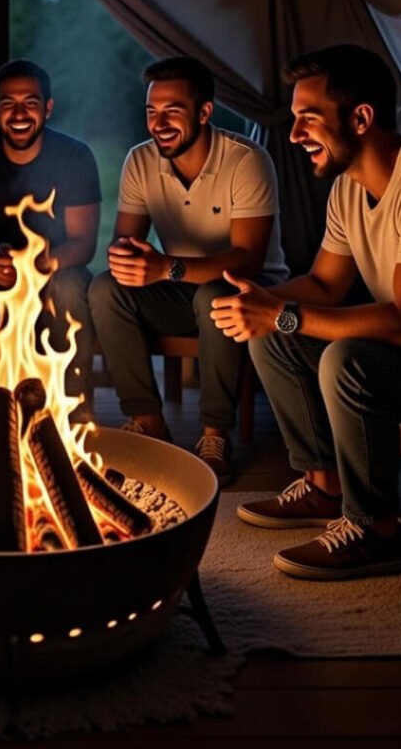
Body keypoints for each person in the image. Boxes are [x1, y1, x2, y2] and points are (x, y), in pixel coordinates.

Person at [211, 44, 401, 579]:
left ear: (362, 117)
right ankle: (325, 486)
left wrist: (281, 314)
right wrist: (260, 303)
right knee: (273, 331)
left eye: (308, 119)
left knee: (345, 359)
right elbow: (326, 285)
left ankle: (377, 531)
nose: (295, 133)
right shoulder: (350, 188)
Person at [89, 57, 287, 483]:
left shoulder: (247, 160)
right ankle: (147, 420)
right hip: (178, 284)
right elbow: (123, 244)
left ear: (204, 112)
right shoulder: (140, 161)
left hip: (252, 290)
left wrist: (164, 267)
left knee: (215, 294)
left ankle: (216, 433)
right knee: (105, 289)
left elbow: (248, 259)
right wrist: (127, 260)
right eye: (151, 112)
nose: (158, 123)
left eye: (172, 111)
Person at [0, 59, 100, 411]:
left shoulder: (75, 157)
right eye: (8, 103)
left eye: (30, 102)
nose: (19, 113)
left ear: (48, 107)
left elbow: (84, 243)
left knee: (73, 285)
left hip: (54, 271)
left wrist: (46, 261)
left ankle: (72, 408)